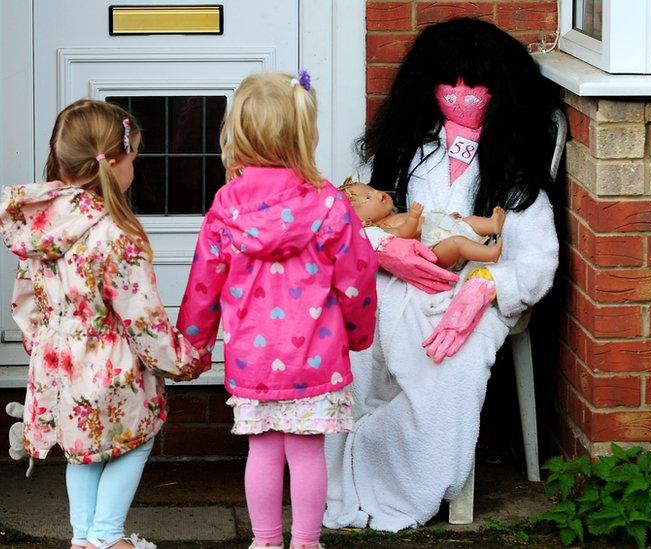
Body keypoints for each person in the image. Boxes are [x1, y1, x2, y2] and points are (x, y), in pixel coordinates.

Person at [323, 18, 560, 531]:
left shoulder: (510, 171)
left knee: (452, 359)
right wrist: (383, 250)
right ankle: (343, 458)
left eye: (477, 85)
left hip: (466, 294)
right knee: (346, 328)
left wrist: (489, 286)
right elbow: (345, 223)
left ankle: (402, 469)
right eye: (451, 82)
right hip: (391, 286)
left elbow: (538, 258)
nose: (463, 95)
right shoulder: (400, 155)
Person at [177, 71, 378, 549]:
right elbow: (358, 277)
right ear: (304, 135)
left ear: (238, 134)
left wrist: (195, 342)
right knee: (308, 454)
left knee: (263, 452)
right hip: (317, 357)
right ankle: (306, 543)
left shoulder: (226, 208)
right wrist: (359, 333)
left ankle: (265, 542)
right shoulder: (330, 204)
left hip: (253, 360)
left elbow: (204, 281)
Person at [0, 100, 208, 549]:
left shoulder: (41, 224)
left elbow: (24, 298)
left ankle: (83, 538)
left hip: (58, 364)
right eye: (133, 158)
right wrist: (182, 361)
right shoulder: (113, 234)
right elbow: (143, 317)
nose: (135, 166)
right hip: (112, 366)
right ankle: (109, 537)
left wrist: (42, 344)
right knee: (137, 440)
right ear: (110, 163)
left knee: (82, 449)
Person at [340, 178, 505, 270]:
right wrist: (412, 219)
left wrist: (448, 219)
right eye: (368, 197)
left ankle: (492, 225)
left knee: (468, 221)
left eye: (371, 189)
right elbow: (404, 234)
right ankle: (489, 254)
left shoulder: (393, 215)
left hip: (440, 233)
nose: (377, 193)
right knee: (457, 243)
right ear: (361, 221)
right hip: (435, 252)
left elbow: (429, 222)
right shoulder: (382, 230)